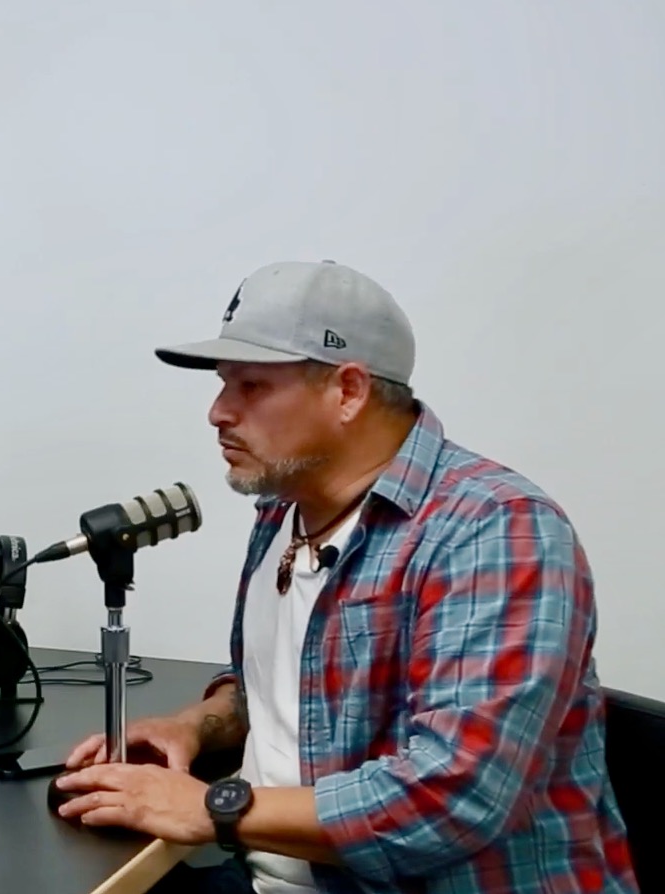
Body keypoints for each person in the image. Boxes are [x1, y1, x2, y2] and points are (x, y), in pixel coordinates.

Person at [53, 260, 637, 893]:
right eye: (223, 385)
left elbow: (452, 798)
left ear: (349, 391)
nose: (218, 412)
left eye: (251, 386)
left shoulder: (495, 529)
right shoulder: (284, 509)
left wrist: (207, 807)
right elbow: (291, 692)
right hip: (271, 874)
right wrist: (196, 725)